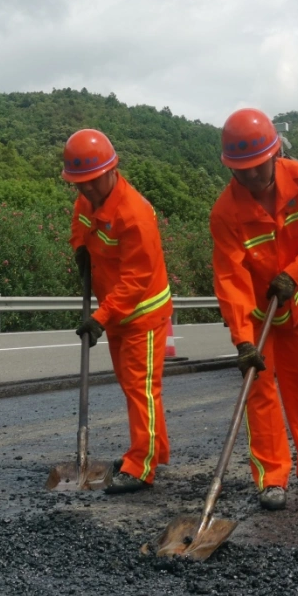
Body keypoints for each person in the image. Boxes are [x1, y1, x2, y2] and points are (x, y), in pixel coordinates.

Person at [210, 107, 298, 511]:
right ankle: (272, 476)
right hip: (256, 316)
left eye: (258, 167)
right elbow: (230, 280)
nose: (252, 177)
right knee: (260, 389)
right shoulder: (225, 213)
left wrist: (295, 272)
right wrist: (242, 340)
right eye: (242, 171)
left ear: (275, 155)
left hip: (296, 301)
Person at [65, 128, 172, 495]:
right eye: (80, 184)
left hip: (142, 312)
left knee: (142, 389)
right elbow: (80, 229)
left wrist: (100, 318)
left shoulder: (135, 214)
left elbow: (135, 280)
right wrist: (80, 250)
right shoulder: (85, 202)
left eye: (93, 181)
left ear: (113, 169)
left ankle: (142, 466)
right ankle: (149, 451)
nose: (88, 189)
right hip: (115, 311)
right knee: (131, 387)